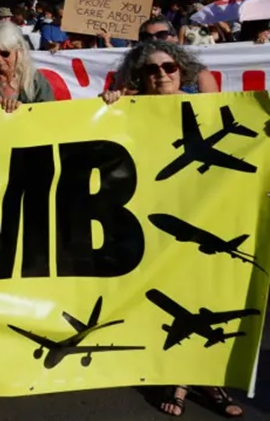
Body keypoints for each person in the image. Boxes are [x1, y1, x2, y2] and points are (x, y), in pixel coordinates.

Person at [103, 41, 241, 418]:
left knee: (206, 293)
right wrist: (109, 105)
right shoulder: (129, 109)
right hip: (154, 217)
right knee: (169, 295)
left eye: (169, 67)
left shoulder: (204, 109)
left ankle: (205, 380)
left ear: (183, 70)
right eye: (151, 69)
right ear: (139, 77)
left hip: (203, 214)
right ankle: (180, 377)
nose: (162, 74)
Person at [0, 21, 55, 111]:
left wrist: (24, 111)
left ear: (19, 51)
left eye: (4, 53)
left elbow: (49, 112)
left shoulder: (35, 80)